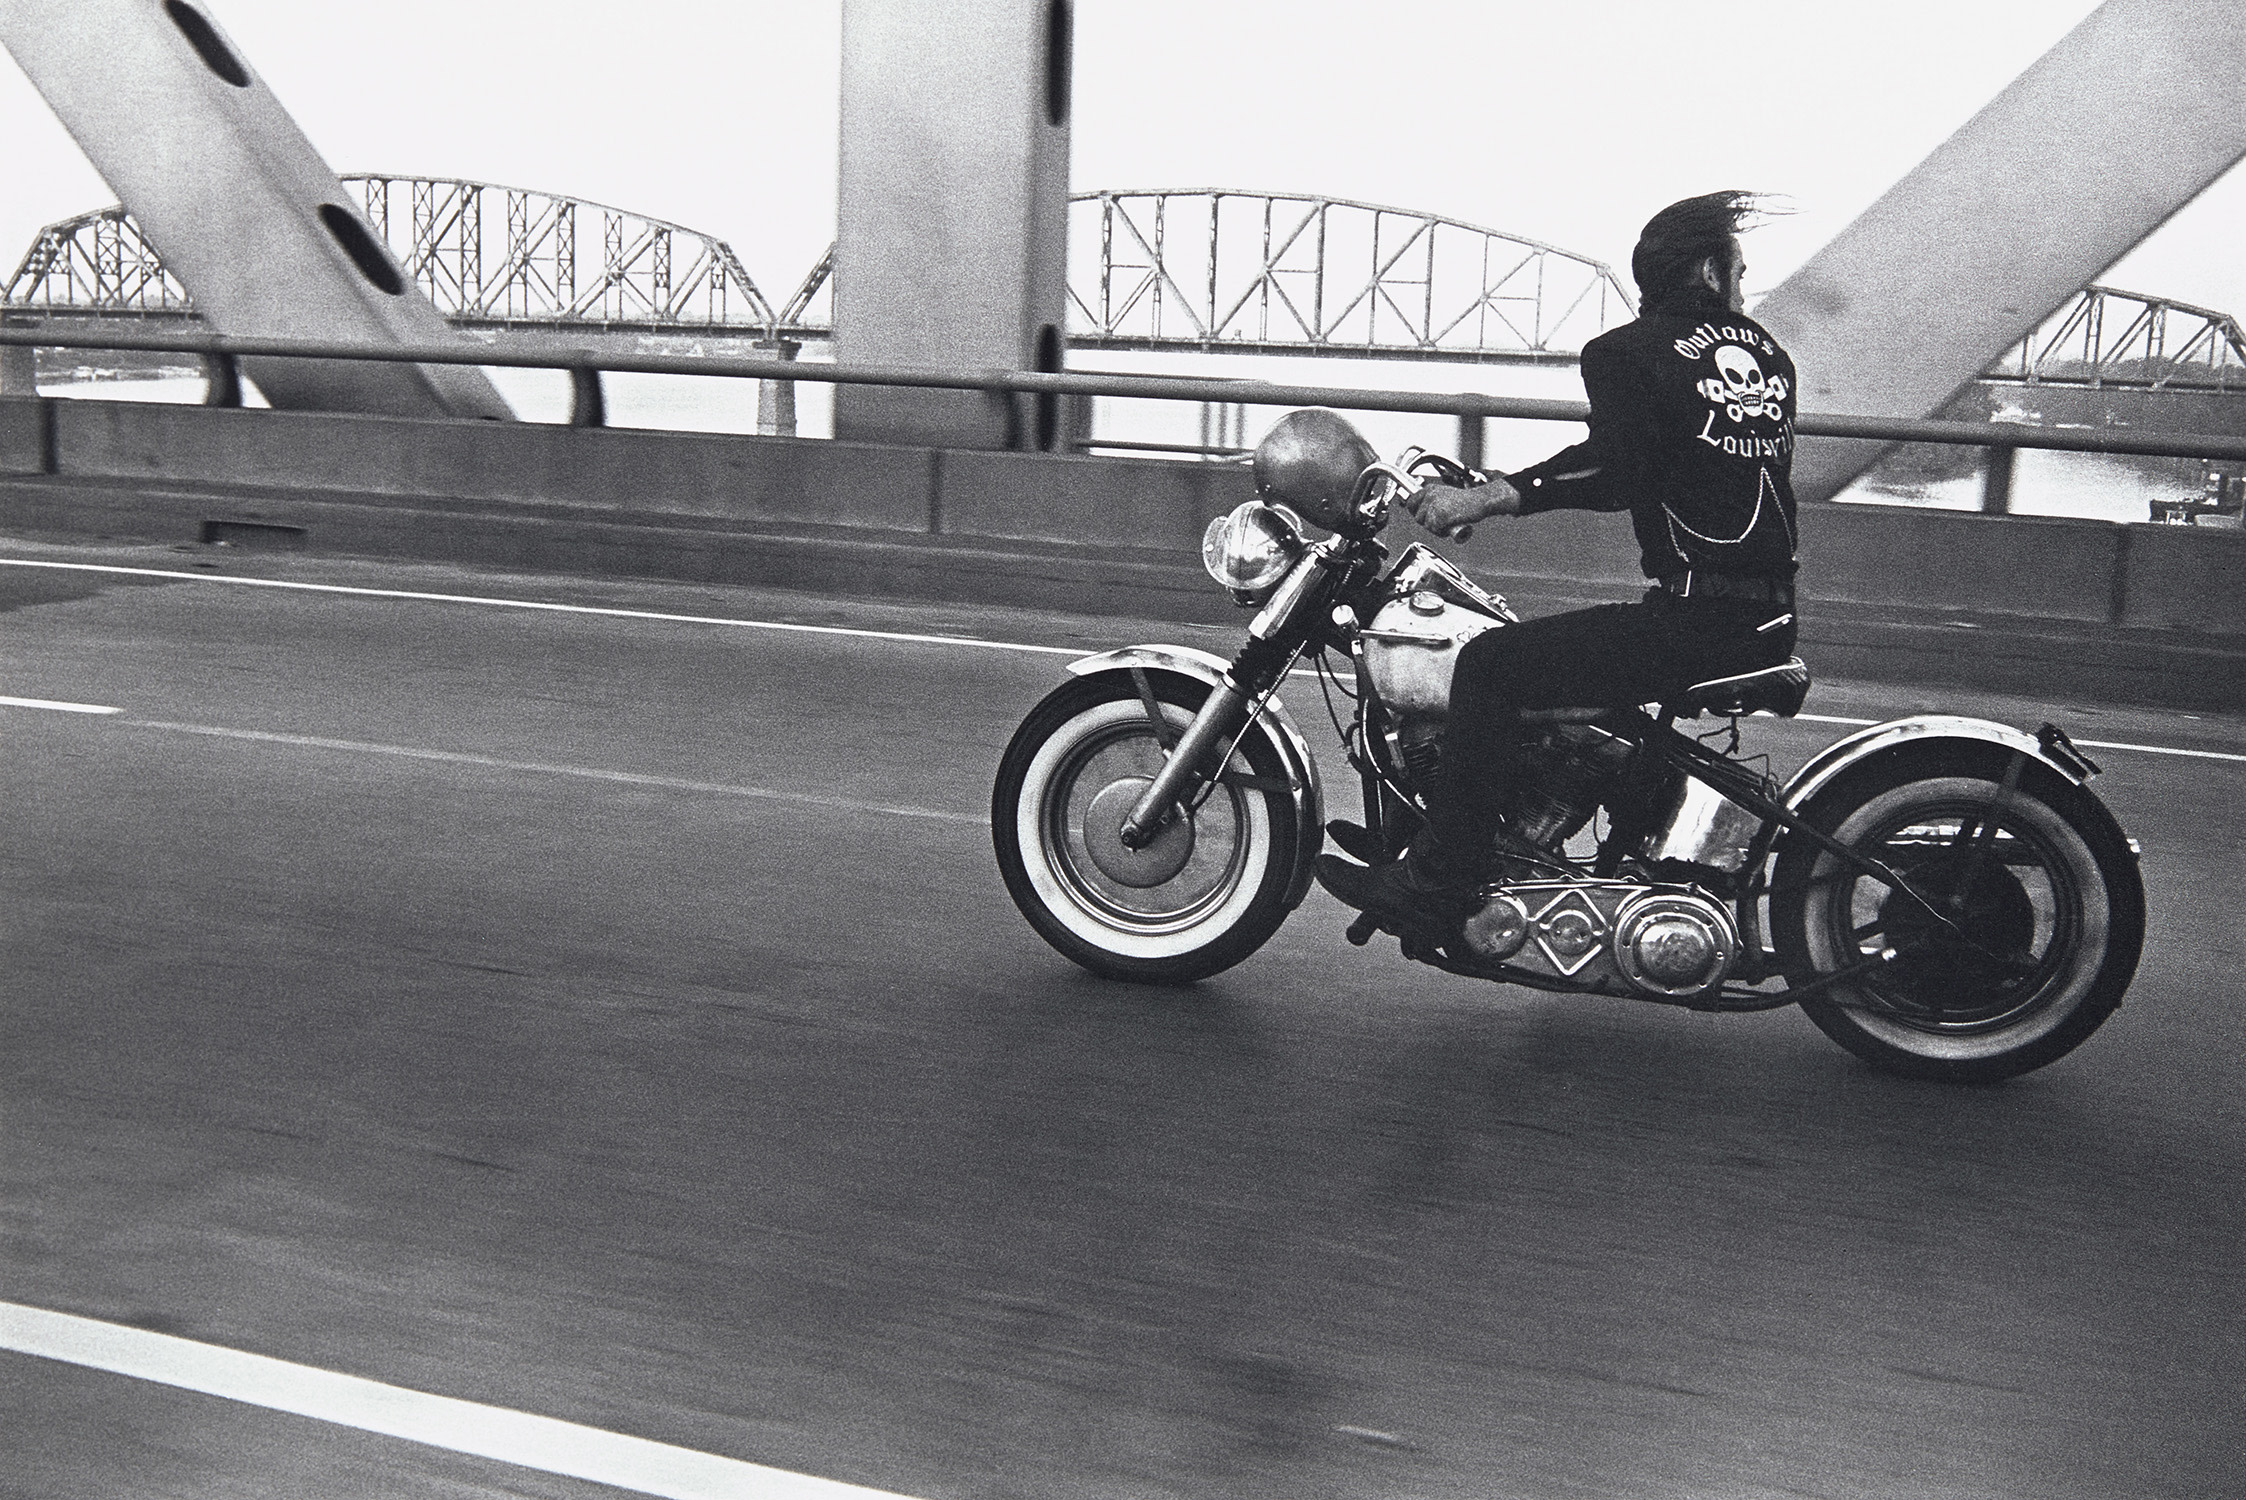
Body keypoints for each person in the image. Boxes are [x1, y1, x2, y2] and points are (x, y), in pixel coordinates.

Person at [1317, 190, 1801, 929]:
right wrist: (1491, 488)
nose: (1743, 284)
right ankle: (1435, 835)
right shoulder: (1769, 357)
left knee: (1489, 666)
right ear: (1708, 271)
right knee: (1542, 669)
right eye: (1739, 268)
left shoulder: (1630, 353)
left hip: (1698, 617)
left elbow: (1617, 469)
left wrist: (1484, 500)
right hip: (1760, 609)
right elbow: (1680, 463)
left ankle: (1439, 882)